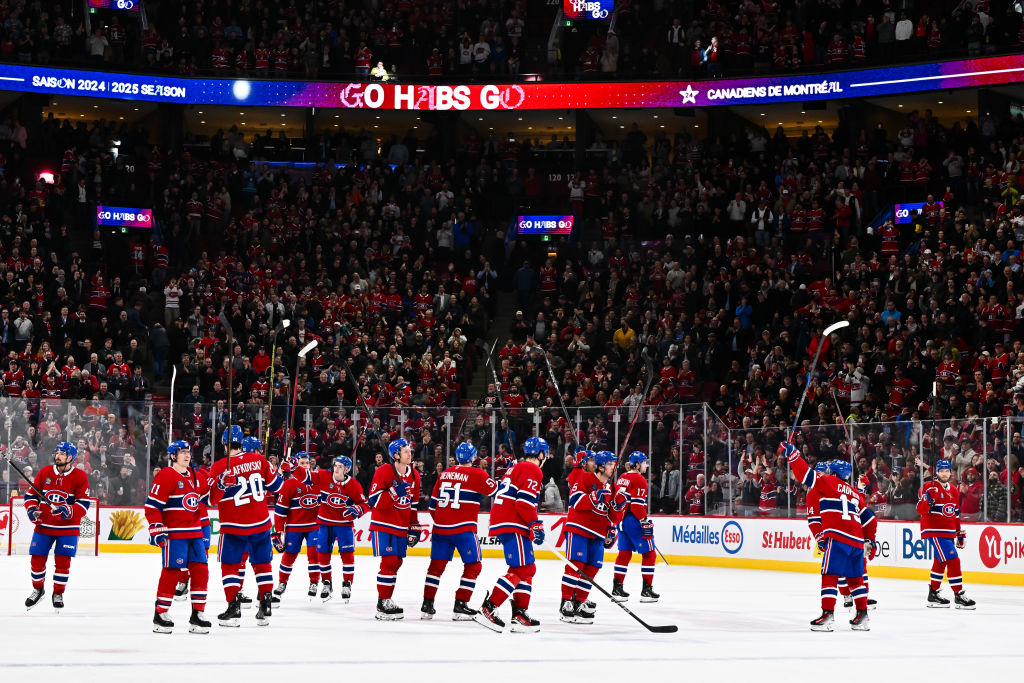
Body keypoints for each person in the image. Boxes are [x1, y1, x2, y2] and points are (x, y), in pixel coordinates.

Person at [782, 442, 878, 631]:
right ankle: (862, 616)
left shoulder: (826, 482)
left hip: (838, 537)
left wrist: (793, 455)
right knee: (856, 579)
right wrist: (870, 541)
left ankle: (827, 615)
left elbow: (804, 475)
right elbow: (870, 519)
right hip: (857, 542)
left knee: (830, 575)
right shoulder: (854, 494)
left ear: (832, 474)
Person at [206, 425, 284, 627]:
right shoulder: (259, 460)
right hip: (261, 524)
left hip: (234, 527)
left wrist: (221, 484)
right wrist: (277, 470)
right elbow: (278, 487)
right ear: (241, 442)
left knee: (230, 566)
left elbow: (210, 500)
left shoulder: (219, 467)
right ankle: (265, 606)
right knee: (262, 565)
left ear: (224, 443)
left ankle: (234, 609)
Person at [475, 436, 546, 633]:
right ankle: (488, 608)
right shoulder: (533, 469)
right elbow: (523, 503)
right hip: (513, 521)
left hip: (506, 520)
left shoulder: (517, 467)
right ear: (541, 454)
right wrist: (535, 523)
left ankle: (520, 614)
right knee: (522, 569)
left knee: (527, 569)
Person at [421, 442, 498, 620]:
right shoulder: (478, 473)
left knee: (435, 567)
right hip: (464, 529)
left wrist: (443, 522)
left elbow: (432, 506)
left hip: (440, 529)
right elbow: (496, 490)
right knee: (474, 565)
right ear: (473, 457)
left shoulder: (445, 474)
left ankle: (427, 604)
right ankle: (460, 604)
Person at [145, 441, 210, 634]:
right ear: (173, 456)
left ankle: (197, 614)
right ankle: (161, 613)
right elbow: (152, 506)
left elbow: (209, 496)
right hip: (175, 535)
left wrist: (223, 484)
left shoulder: (195, 475)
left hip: (196, 533)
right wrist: (156, 527)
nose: (187, 455)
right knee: (172, 571)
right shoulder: (166, 475)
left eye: (188, 452)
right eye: (182, 452)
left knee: (201, 571)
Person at [559, 450, 628, 624]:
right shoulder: (585, 478)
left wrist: (618, 507)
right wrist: (594, 496)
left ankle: (579, 603)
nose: (613, 468)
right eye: (610, 464)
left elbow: (614, 518)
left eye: (614, 464)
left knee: (592, 568)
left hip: (598, 534)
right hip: (579, 528)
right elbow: (576, 502)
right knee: (576, 565)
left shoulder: (613, 488)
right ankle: (566, 601)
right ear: (600, 466)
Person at [23, 441, 90, 611]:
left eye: (62, 453)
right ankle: (38, 590)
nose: (58, 456)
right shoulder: (45, 472)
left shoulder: (80, 476)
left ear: (70, 458)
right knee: (36, 560)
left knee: (62, 563)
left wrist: (68, 509)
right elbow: (31, 496)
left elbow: (84, 504)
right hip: (44, 525)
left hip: (68, 529)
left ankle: (58, 592)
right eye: (57, 452)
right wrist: (32, 510)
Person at [367, 438, 422, 620]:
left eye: (410, 450)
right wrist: (392, 492)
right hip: (384, 524)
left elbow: (413, 505)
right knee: (389, 562)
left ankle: (387, 599)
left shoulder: (414, 474)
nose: (409, 453)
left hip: (401, 525)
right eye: (405, 451)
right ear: (396, 455)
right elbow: (374, 501)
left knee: (397, 562)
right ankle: (382, 603)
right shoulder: (384, 471)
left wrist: (414, 525)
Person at [917, 459, 976, 609]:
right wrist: (928, 498)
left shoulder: (954, 490)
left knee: (940, 561)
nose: (944, 473)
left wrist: (959, 532)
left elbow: (955, 514)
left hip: (948, 532)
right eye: (941, 471)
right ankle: (959, 594)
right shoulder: (929, 487)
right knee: (953, 560)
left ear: (950, 472)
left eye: (947, 471)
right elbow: (920, 510)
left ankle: (934, 594)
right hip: (934, 530)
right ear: (936, 472)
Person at [314, 454, 368, 603]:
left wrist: (357, 509)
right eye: (335, 465)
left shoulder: (354, 485)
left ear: (347, 470)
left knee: (347, 555)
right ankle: (326, 583)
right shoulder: (324, 476)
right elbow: (306, 476)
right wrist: (291, 468)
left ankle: (347, 584)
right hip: (325, 523)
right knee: (322, 554)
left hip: (344, 525)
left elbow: (365, 504)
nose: (336, 469)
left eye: (340, 466)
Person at [271, 450, 320, 604]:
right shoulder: (290, 483)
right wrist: (278, 530)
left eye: (307, 463)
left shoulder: (318, 479)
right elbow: (280, 510)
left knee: (314, 553)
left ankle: (314, 582)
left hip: (314, 525)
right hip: (294, 526)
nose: (305, 466)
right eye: (302, 463)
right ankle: (282, 582)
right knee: (290, 555)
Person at [612, 451, 659, 603]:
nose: (646, 465)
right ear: (637, 464)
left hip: (621, 520)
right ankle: (647, 590)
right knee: (650, 554)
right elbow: (638, 507)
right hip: (633, 520)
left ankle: (617, 588)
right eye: (644, 462)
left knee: (624, 554)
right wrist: (644, 520)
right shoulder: (639, 479)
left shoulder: (622, 477)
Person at [837, 472, 878, 610]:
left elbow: (861, 508)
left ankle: (861, 596)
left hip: (856, 535)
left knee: (860, 566)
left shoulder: (854, 495)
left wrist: (870, 540)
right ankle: (847, 595)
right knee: (843, 567)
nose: (865, 493)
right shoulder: (848, 494)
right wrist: (860, 489)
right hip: (844, 534)